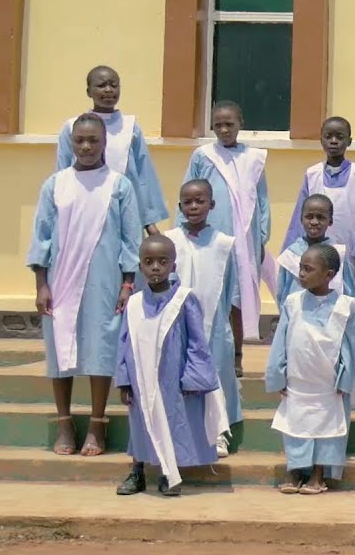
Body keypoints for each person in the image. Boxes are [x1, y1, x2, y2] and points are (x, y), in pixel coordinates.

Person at [28, 112, 142, 458]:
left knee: (101, 348)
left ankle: (96, 423)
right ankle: (65, 423)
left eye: (94, 140)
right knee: (60, 349)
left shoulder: (119, 185)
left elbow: (129, 239)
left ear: (105, 143)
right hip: (61, 280)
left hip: (104, 280)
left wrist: (126, 283)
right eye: (80, 140)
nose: (87, 146)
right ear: (71, 143)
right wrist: (41, 284)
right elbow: (42, 238)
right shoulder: (55, 184)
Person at [115, 235, 221, 497]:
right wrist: (125, 379)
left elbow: (197, 342)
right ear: (140, 266)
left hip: (173, 379)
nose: (155, 267)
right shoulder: (135, 304)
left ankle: (168, 473)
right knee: (140, 426)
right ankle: (137, 472)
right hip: (141, 377)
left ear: (173, 266)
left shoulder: (184, 300)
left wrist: (194, 378)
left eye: (162, 262)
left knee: (173, 424)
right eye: (148, 262)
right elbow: (124, 342)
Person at [180, 101, 270, 375]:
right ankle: (201, 350)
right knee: (206, 292)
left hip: (242, 239)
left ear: (240, 123)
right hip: (207, 235)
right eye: (218, 125)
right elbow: (186, 192)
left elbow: (262, 199)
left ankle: (236, 355)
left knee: (236, 298)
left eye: (229, 124)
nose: (223, 129)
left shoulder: (254, 158)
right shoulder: (203, 155)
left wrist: (262, 236)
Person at [266, 243, 355, 495]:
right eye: (300, 268)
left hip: (329, 383)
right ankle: (295, 469)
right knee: (294, 424)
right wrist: (278, 376)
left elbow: (351, 346)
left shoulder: (347, 306)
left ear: (329, 275)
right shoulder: (292, 303)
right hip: (298, 379)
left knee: (328, 427)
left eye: (308, 269)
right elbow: (281, 342)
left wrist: (345, 380)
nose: (301, 273)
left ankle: (319, 474)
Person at [165, 179, 240, 458]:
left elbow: (231, 292)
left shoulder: (224, 244)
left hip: (215, 325)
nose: (194, 206)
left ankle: (218, 433)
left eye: (200, 201)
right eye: (188, 201)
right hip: (177, 325)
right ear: (180, 205)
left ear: (212, 204)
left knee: (216, 375)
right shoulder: (170, 240)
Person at [282, 116, 355, 310]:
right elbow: (299, 216)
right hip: (315, 251)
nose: (334, 141)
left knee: (350, 303)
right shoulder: (312, 175)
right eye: (329, 136)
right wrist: (291, 252)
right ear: (321, 140)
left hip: (352, 254)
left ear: (349, 141)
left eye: (340, 137)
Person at [55, 65, 168, 235]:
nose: (108, 90)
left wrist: (148, 221)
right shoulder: (73, 127)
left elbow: (144, 177)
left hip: (124, 207)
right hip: (83, 207)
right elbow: (62, 171)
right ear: (88, 91)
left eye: (114, 85)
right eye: (101, 85)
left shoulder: (131, 128)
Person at [275, 194, 355, 404]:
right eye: (309, 216)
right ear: (301, 218)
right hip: (300, 332)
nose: (314, 222)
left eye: (321, 217)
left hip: (331, 334)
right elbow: (282, 293)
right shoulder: (291, 255)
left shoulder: (338, 254)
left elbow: (349, 294)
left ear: (330, 221)